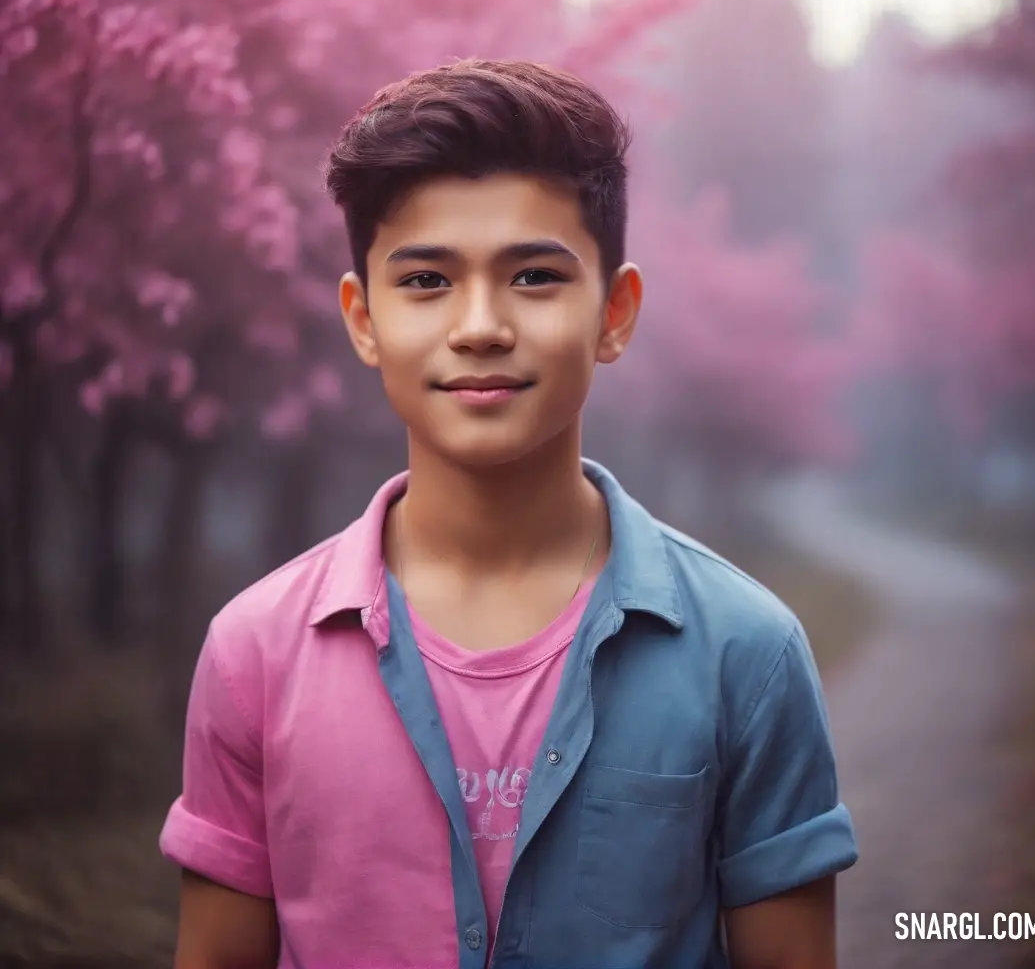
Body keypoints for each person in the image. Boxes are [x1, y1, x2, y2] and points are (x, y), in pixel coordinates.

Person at [160, 58, 858, 969]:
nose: (481, 325)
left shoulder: (746, 652)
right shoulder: (255, 653)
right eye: (425, 282)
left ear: (614, 312)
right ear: (362, 318)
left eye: (534, 277)